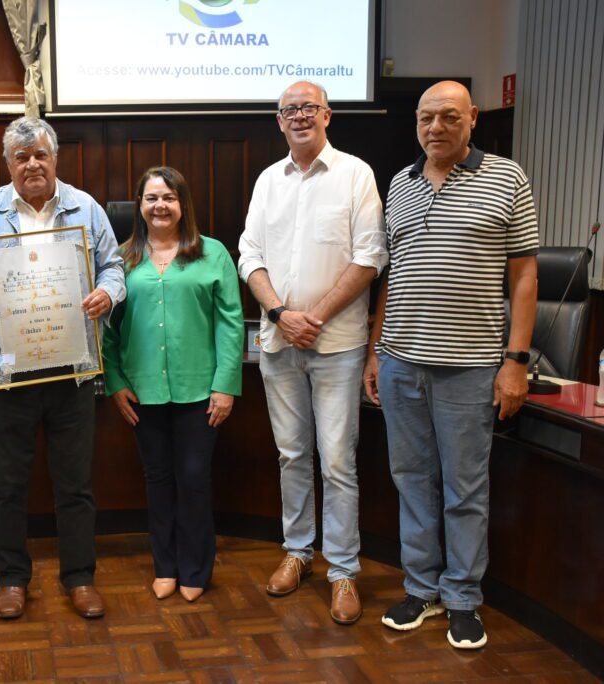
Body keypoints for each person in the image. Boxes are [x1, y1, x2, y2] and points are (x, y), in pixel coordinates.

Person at [364, 80, 538, 649]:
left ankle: (463, 596)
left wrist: (515, 362)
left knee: (464, 488)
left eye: (448, 116)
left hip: (470, 367)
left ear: (473, 118)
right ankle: (422, 589)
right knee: (412, 481)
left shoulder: (507, 178)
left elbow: (525, 277)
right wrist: (375, 349)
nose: (435, 127)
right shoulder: (401, 184)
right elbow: (392, 276)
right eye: (425, 118)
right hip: (399, 363)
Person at [0, 116, 125, 620]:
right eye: (21, 157)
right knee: (8, 484)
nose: (32, 164)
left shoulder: (85, 207)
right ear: (9, 164)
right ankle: (11, 580)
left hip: (72, 365)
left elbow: (114, 266)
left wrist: (107, 292)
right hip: (8, 370)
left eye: (40, 155)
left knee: (74, 482)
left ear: (55, 159)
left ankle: (79, 578)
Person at [237, 81, 387, 625]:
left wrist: (315, 317)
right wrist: (281, 314)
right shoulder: (267, 181)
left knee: (339, 460)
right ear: (279, 121)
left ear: (327, 115)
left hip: (338, 346)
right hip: (278, 342)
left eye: (308, 108)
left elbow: (370, 256)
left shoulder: (355, 174)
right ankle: (297, 551)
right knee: (293, 455)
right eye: (288, 110)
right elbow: (248, 253)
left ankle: (343, 570)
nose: (299, 116)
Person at [102, 166, 242, 603]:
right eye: (151, 198)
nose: (160, 205)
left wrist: (226, 385)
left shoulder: (213, 253)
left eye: (168, 197)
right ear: (140, 206)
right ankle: (165, 566)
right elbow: (106, 328)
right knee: (158, 479)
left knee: (195, 477)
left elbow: (231, 323)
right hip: (143, 391)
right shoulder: (120, 258)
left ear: (183, 205)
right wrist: (114, 382)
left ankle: (196, 568)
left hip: (201, 390)